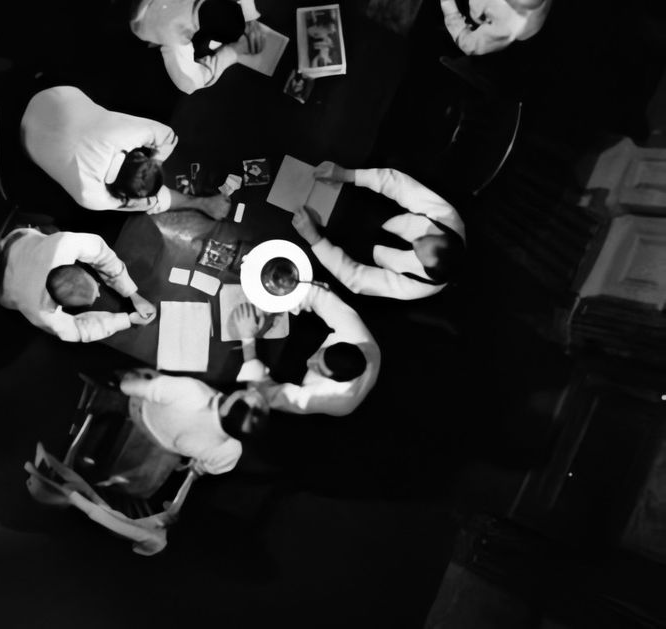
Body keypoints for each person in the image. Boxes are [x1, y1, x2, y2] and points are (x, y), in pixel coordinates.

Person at [21, 85, 229, 217]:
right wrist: (202, 203)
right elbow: (151, 201)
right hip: (28, 134)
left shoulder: (122, 136)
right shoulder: (90, 196)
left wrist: (154, 162)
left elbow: (167, 135)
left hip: (50, 96)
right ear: (138, 153)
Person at [291, 163, 466, 300]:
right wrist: (345, 174)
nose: (415, 242)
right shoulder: (448, 217)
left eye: (418, 254)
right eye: (423, 237)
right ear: (445, 235)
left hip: (346, 245)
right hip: (367, 200)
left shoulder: (421, 287)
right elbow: (397, 185)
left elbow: (356, 278)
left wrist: (314, 239)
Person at [232, 284, 380, 417]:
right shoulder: (357, 335)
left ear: (331, 379)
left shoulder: (326, 398)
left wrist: (247, 339)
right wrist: (273, 304)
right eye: (320, 354)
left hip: (289, 372)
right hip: (308, 331)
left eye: (318, 369)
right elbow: (317, 294)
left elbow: (263, 395)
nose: (310, 361)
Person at [130, 0, 265, 95]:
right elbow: (191, 83)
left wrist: (248, 16)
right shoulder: (177, 43)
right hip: (129, 17)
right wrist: (233, 52)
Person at [0, 226, 155, 341]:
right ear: (60, 305)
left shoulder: (66, 243)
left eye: (95, 285)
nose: (99, 291)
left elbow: (103, 254)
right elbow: (78, 330)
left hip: (18, 240)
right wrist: (128, 320)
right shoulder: (43, 312)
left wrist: (133, 294)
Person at [121, 369, 268, 474]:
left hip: (140, 406)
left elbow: (126, 387)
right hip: (157, 438)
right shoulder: (230, 455)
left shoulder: (192, 391)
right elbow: (202, 468)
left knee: (131, 372)